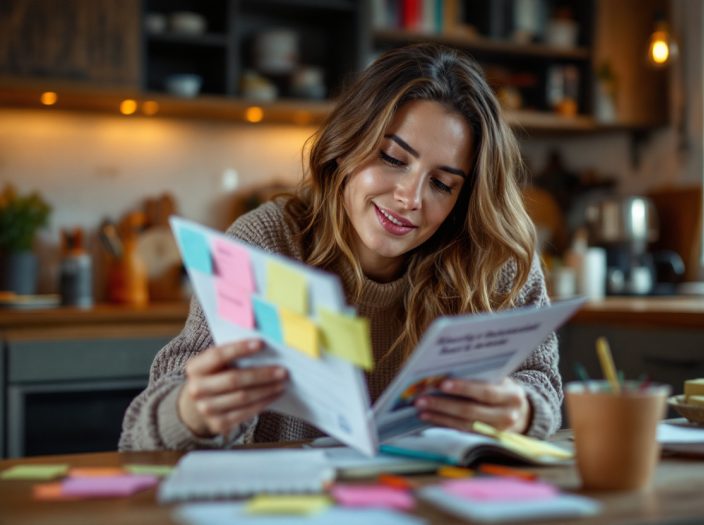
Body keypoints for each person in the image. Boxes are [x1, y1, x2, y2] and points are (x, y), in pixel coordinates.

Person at [119, 43, 562, 451]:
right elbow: (139, 440)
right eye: (392, 159)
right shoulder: (265, 244)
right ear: (347, 147)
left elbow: (540, 384)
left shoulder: (492, 258)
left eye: (442, 184)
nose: (410, 198)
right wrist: (192, 413)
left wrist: (521, 410)